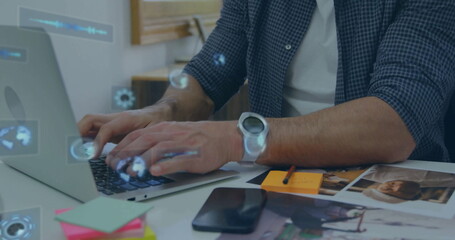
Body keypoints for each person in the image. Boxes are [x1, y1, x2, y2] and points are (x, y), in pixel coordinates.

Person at [78, 1, 455, 177]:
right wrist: (156, 114)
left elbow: (394, 122)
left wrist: (236, 139)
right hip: (274, 180)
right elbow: (207, 74)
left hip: (392, 188)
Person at [361, 165, 455, 203]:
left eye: (389, 188)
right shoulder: (439, 182)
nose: (398, 188)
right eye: (412, 195)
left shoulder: (374, 173)